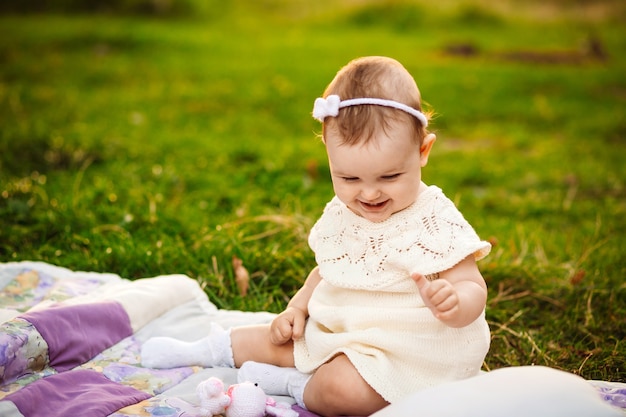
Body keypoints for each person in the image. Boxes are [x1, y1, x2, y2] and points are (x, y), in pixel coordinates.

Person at [141, 56, 492, 417]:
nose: (369, 194)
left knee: (341, 389)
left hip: (407, 352)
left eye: (389, 177)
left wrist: (455, 303)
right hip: (341, 330)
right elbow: (328, 270)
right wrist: (297, 307)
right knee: (276, 337)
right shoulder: (344, 212)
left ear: (423, 152)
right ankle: (204, 349)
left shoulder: (434, 216)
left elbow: (472, 285)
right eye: (349, 179)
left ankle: (294, 385)